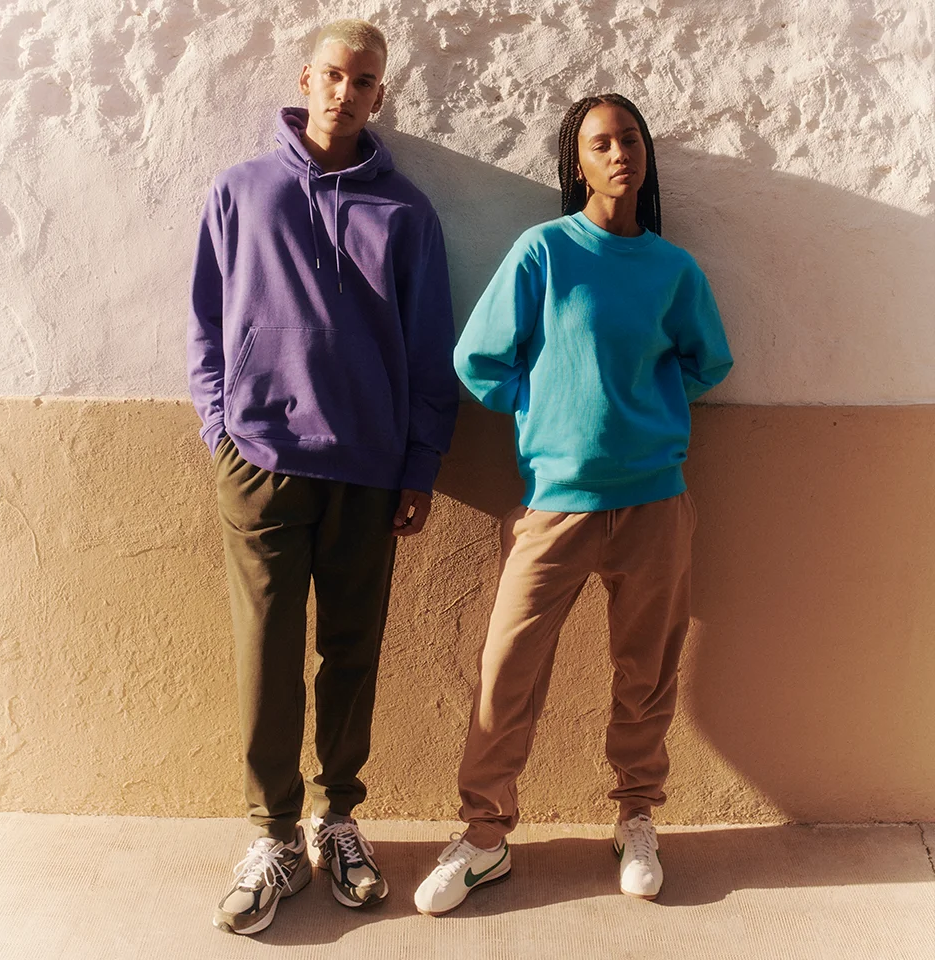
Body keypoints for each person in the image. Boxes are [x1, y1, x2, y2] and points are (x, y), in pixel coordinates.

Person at [414, 94, 733, 916]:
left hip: (655, 501)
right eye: (601, 143)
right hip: (555, 503)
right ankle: (485, 837)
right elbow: (479, 358)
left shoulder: (673, 269)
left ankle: (635, 818)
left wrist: (650, 411)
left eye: (630, 139)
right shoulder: (544, 252)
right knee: (507, 670)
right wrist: (544, 404)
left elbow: (708, 361)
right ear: (577, 162)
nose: (620, 153)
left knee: (647, 672)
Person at [187, 19, 459, 934]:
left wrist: (419, 463)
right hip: (260, 464)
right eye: (334, 75)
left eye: (365, 80)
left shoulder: (407, 214)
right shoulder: (242, 192)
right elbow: (204, 322)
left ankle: (339, 817)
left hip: (370, 470)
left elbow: (429, 351)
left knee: (351, 650)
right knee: (265, 651)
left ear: (381, 95)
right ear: (306, 78)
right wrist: (221, 430)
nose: (347, 92)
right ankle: (271, 835)